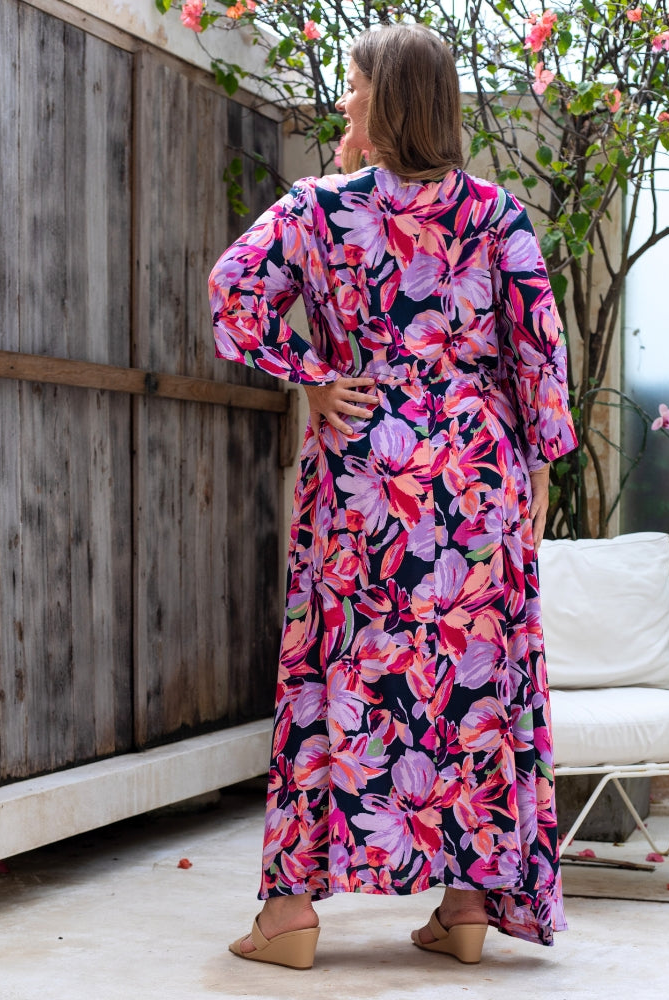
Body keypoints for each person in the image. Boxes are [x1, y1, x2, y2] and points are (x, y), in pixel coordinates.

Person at [208, 22, 577, 970]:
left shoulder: (318, 211)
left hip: (363, 474)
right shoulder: (499, 217)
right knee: (475, 681)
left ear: (387, 100)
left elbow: (231, 293)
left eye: (356, 86)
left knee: (335, 669)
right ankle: (463, 910)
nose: (345, 101)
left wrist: (310, 373)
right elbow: (539, 353)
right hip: (478, 476)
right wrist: (536, 460)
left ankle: (291, 916)